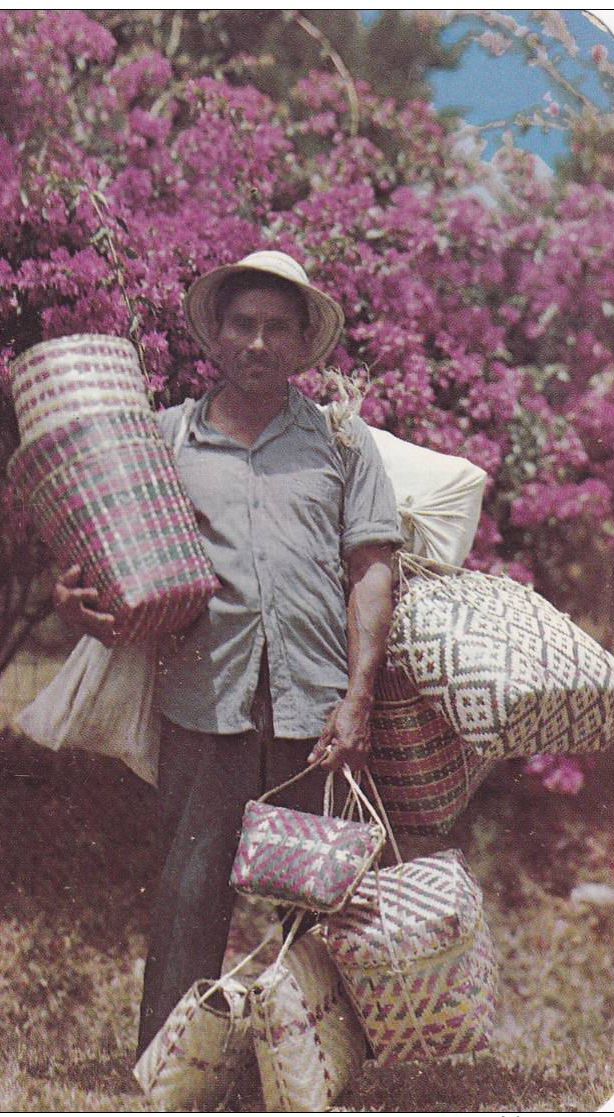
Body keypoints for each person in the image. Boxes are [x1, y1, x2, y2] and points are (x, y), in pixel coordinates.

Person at [52, 250, 403, 1059]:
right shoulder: (169, 437)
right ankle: (171, 1071)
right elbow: (108, 554)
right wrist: (70, 598)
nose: (258, 341)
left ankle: (314, 1075)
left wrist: (357, 699)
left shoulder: (341, 445)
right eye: (242, 323)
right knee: (186, 896)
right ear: (216, 334)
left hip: (314, 709)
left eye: (277, 326)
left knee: (317, 909)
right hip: (203, 699)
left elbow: (370, 573)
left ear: (302, 341)